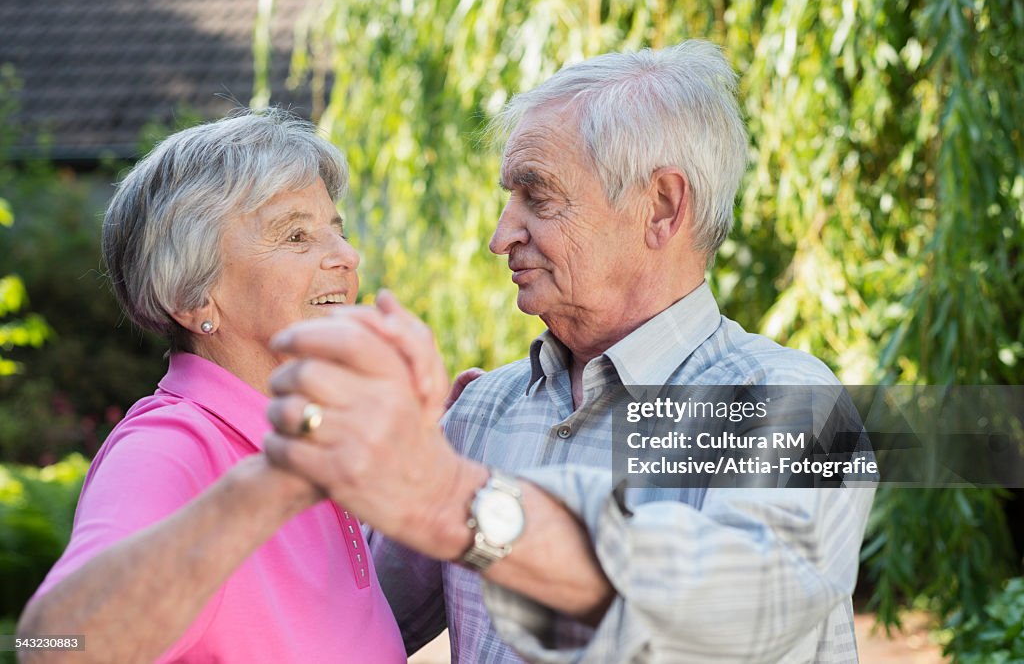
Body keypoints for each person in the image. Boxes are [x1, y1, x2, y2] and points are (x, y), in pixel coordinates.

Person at [262, 40, 876, 663]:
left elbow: (739, 620)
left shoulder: (793, 407)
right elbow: (346, 632)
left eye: (540, 196)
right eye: (509, 198)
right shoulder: (482, 411)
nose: (502, 237)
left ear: (661, 207)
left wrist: (458, 499)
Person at [16, 110, 406, 663]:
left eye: (336, 231)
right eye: (296, 235)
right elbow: (51, 647)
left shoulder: (297, 440)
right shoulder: (171, 447)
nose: (347, 256)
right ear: (194, 298)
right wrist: (273, 483)